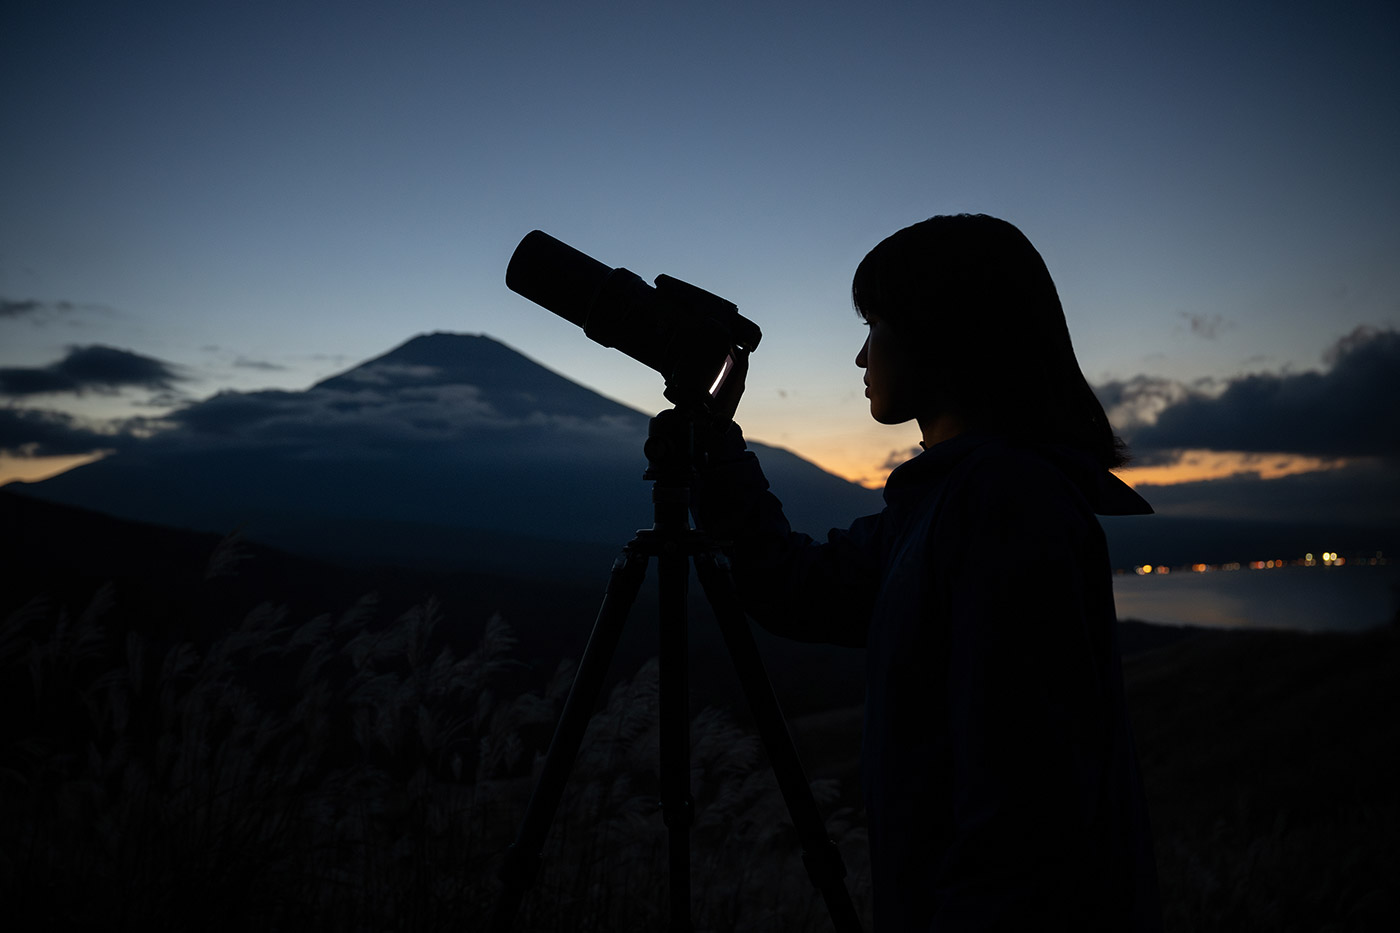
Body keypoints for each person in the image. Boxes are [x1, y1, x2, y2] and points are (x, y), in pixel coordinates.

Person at [692, 214, 1163, 931]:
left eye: (874, 324)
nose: (859, 356)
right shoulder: (947, 505)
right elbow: (799, 589)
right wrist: (715, 443)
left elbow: (1023, 815)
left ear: (942, 332)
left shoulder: (1006, 505)